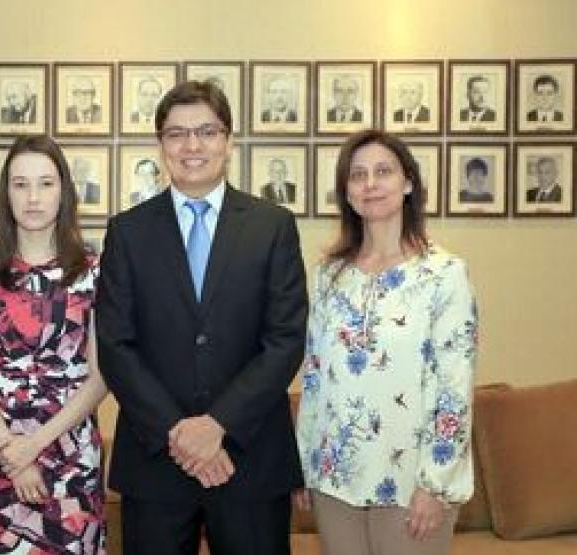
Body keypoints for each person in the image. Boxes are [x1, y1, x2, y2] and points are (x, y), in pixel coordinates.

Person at [96, 80, 308, 554]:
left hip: (249, 459)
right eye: (176, 134)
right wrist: (180, 434)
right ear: (161, 145)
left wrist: (218, 425)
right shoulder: (127, 233)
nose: (192, 146)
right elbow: (115, 345)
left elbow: (285, 340)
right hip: (156, 464)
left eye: (206, 132)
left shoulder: (271, 226)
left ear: (228, 141)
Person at [294, 129, 477, 555]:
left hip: (413, 485)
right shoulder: (328, 276)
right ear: (346, 192)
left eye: (383, 171)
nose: (370, 184)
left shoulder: (444, 274)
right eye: (357, 175)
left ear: (408, 182)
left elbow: (454, 389)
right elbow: (316, 379)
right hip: (334, 479)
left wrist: (435, 484)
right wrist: (301, 465)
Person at [0, 134, 107, 553]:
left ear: (64, 191)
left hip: (70, 453)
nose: (33, 197)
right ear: (6, 194)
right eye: (20, 184)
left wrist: (35, 446)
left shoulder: (94, 273)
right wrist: (11, 448)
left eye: (45, 183)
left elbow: (100, 378)